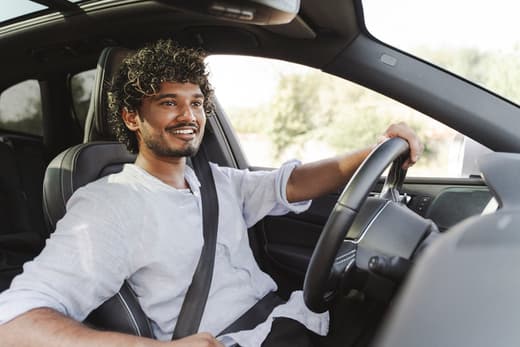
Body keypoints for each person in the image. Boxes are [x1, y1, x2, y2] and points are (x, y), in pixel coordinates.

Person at [0, 40, 423, 347]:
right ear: (131, 117)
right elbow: (13, 321)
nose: (189, 116)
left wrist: (376, 149)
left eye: (197, 102)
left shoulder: (216, 181)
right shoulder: (108, 206)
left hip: (291, 319)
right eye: (169, 102)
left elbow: (290, 183)